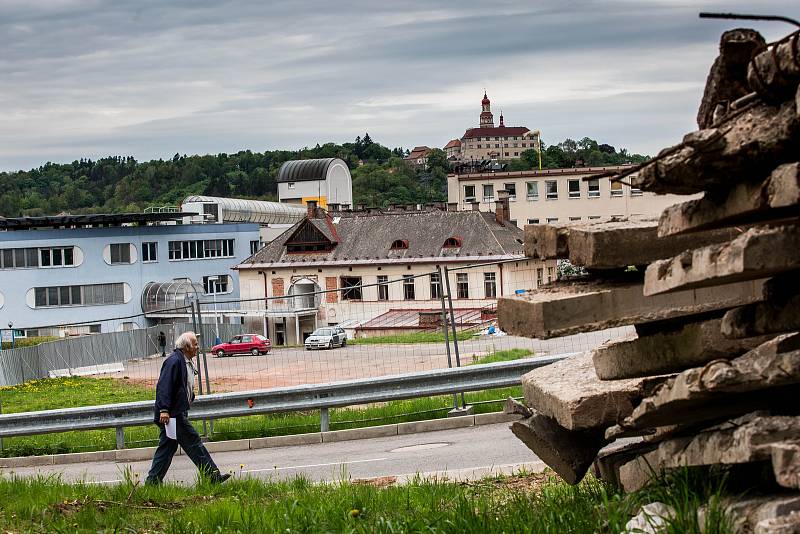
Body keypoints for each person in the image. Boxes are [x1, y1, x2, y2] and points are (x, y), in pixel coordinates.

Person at [146, 331, 230, 485]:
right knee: (193, 442)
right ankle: (213, 476)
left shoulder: (184, 360)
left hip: (175, 413)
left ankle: (152, 483)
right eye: (195, 344)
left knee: (167, 448)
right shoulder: (174, 361)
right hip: (172, 414)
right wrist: (164, 410)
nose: (197, 347)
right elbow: (164, 387)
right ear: (186, 346)